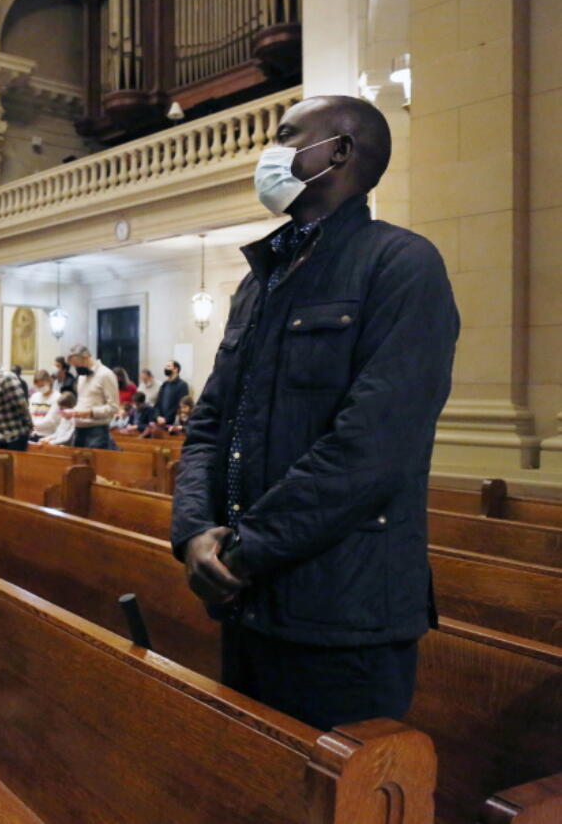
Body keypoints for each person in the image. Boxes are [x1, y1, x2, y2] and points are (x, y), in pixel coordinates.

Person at [171, 95, 460, 733]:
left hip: (343, 610)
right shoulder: (260, 279)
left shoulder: (401, 265)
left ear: (339, 152)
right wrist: (193, 531)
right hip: (246, 600)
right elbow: (213, 421)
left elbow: (372, 447)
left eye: (284, 136)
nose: (267, 154)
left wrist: (244, 551)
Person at [63, 344, 119, 450]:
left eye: (77, 365)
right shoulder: (82, 376)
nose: (76, 369)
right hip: (79, 429)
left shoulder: (105, 374)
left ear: (86, 357)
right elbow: (83, 402)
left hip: (96, 431)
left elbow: (113, 407)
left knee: (93, 465)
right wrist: (73, 412)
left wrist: (90, 412)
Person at [153, 361, 190, 426]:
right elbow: (158, 403)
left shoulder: (183, 385)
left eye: (168, 366)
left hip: (173, 422)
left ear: (176, 369)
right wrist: (157, 416)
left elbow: (180, 405)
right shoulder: (164, 384)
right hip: (160, 421)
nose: (165, 368)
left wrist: (166, 419)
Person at [28, 369, 56, 441]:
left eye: (42, 385)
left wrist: (33, 425)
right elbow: (30, 414)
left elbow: (51, 420)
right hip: (33, 433)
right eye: (38, 386)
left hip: (48, 436)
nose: (41, 388)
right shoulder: (35, 396)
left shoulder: (57, 397)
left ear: (49, 381)